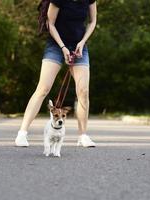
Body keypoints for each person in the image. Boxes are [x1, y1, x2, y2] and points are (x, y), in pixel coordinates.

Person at [15, 0, 97, 147]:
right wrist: (63, 47)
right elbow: (50, 24)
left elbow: (93, 21)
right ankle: (22, 133)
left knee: (83, 90)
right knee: (43, 88)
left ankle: (83, 135)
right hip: (56, 45)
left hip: (79, 46)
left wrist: (83, 42)